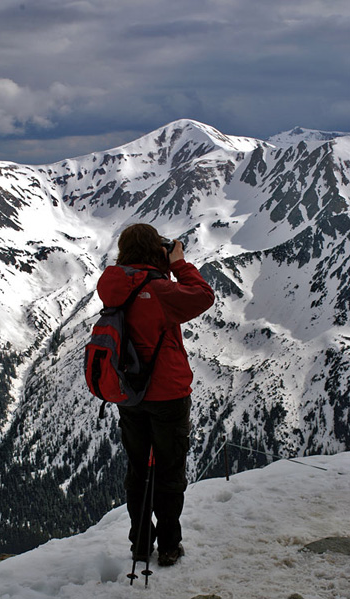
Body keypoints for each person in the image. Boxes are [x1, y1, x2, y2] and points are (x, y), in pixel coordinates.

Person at [96, 223, 215, 567]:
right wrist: (178, 264)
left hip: (129, 393)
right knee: (169, 472)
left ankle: (140, 541)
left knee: (138, 470)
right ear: (155, 250)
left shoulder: (112, 285)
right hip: (167, 394)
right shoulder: (160, 289)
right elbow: (203, 296)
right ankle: (169, 545)